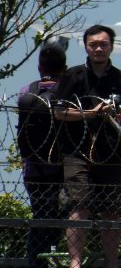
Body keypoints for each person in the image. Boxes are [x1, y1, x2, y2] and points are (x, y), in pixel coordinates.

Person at [54, 24, 121, 268]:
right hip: (77, 151)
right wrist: (91, 113)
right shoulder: (73, 76)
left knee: (112, 211)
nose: (98, 49)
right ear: (86, 47)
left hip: (111, 151)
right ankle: (76, 263)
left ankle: (111, 263)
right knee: (79, 205)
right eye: (93, 45)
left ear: (111, 46)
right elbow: (59, 112)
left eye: (103, 44)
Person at [16, 42, 67, 268]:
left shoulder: (27, 92)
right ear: (64, 68)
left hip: (34, 167)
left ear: (39, 67)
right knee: (60, 217)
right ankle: (51, 257)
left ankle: (37, 261)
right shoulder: (69, 92)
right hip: (63, 166)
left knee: (40, 216)